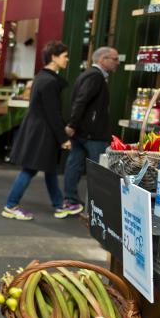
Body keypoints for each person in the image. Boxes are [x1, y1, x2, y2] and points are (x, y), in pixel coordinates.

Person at [2, 40, 80, 221]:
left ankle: (59, 205)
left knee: (48, 168)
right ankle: (11, 205)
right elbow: (52, 113)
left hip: (38, 131)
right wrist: (62, 138)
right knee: (30, 169)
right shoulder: (50, 81)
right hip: (42, 133)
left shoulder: (42, 77)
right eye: (65, 56)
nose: (67, 60)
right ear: (54, 57)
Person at [63, 46, 121, 209]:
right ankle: (96, 207)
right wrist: (72, 124)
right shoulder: (95, 77)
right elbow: (81, 101)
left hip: (83, 132)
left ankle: (71, 200)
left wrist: (74, 125)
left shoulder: (89, 75)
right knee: (99, 170)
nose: (118, 63)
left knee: (75, 164)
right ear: (103, 59)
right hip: (92, 134)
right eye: (114, 59)